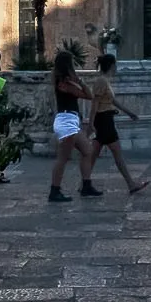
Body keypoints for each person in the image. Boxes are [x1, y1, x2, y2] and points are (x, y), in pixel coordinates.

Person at [80, 53, 148, 196]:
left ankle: (85, 184)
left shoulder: (105, 81)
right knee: (117, 154)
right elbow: (95, 103)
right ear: (111, 65)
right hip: (103, 121)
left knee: (93, 154)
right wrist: (91, 123)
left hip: (105, 119)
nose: (116, 67)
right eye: (115, 64)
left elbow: (111, 101)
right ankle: (130, 184)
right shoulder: (101, 81)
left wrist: (129, 112)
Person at [46, 50, 89, 202]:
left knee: (87, 151)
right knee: (63, 158)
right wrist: (80, 80)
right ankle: (54, 190)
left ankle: (86, 185)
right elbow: (88, 95)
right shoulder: (66, 82)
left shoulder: (60, 79)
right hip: (67, 121)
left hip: (69, 120)